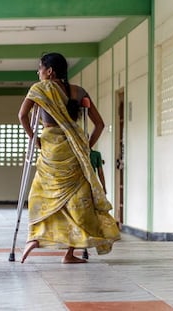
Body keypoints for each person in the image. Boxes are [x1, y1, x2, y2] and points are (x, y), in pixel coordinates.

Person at [18, 52, 120, 264]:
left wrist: (34, 139)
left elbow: (22, 116)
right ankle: (69, 253)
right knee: (78, 203)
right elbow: (99, 125)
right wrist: (85, 146)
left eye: (40, 68)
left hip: (52, 151)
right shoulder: (79, 91)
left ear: (50, 71)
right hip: (75, 151)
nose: (38, 72)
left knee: (42, 195)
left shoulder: (39, 89)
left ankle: (35, 237)